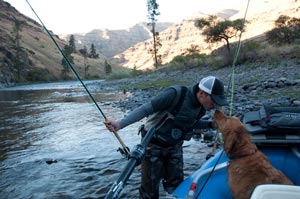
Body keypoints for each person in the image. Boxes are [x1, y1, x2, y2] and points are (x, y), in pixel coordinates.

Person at [104, 76, 228, 198]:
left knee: (176, 186)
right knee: (149, 191)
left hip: (175, 147)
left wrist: (211, 124)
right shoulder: (174, 94)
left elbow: (190, 124)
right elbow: (145, 109)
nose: (215, 105)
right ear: (202, 93)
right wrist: (120, 124)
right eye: (213, 101)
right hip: (152, 146)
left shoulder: (201, 107)